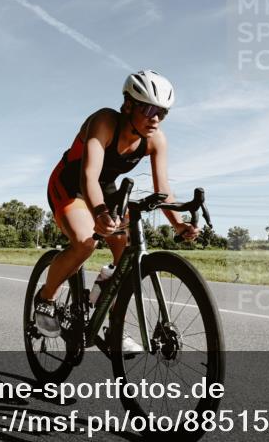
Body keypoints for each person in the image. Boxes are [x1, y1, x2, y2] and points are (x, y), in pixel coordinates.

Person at [36, 70, 199, 349]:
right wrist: (99, 213)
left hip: (106, 188)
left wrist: (179, 224)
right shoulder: (104, 121)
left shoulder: (156, 140)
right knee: (85, 242)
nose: (156, 118)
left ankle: (113, 325)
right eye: (149, 109)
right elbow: (88, 176)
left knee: (126, 252)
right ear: (128, 105)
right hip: (70, 184)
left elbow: (163, 191)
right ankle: (46, 297)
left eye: (162, 112)